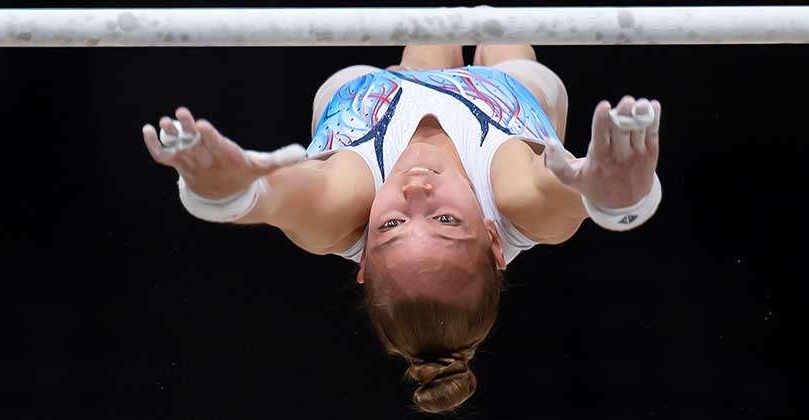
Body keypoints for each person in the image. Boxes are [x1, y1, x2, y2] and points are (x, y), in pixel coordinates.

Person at [140, 44, 663, 413]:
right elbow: (585, 199)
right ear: (493, 238)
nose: (415, 193)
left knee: (422, 39)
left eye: (390, 224)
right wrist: (614, 190)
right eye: (446, 220)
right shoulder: (518, 201)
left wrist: (227, 190)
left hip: (380, 91)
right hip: (505, 92)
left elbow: (271, 200)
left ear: (363, 258)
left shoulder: (340, 210)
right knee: (512, 55)